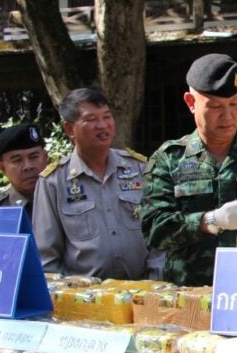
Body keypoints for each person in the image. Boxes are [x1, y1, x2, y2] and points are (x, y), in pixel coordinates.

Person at [141, 53, 237, 286]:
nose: (228, 116)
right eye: (215, 106)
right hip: (190, 296)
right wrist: (210, 221)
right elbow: (154, 230)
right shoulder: (169, 159)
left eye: (234, 104)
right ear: (191, 103)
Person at [33, 88, 163, 280]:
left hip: (141, 292)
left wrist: (154, 283)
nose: (103, 126)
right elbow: (47, 257)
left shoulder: (140, 169)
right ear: (70, 130)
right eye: (91, 120)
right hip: (86, 299)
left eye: (107, 117)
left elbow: (159, 236)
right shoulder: (53, 181)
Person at [0, 122, 48, 222]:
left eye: (33, 157)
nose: (28, 166)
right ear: (2, 168)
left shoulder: (66, 198)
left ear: (46, 158)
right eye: (17, 160)